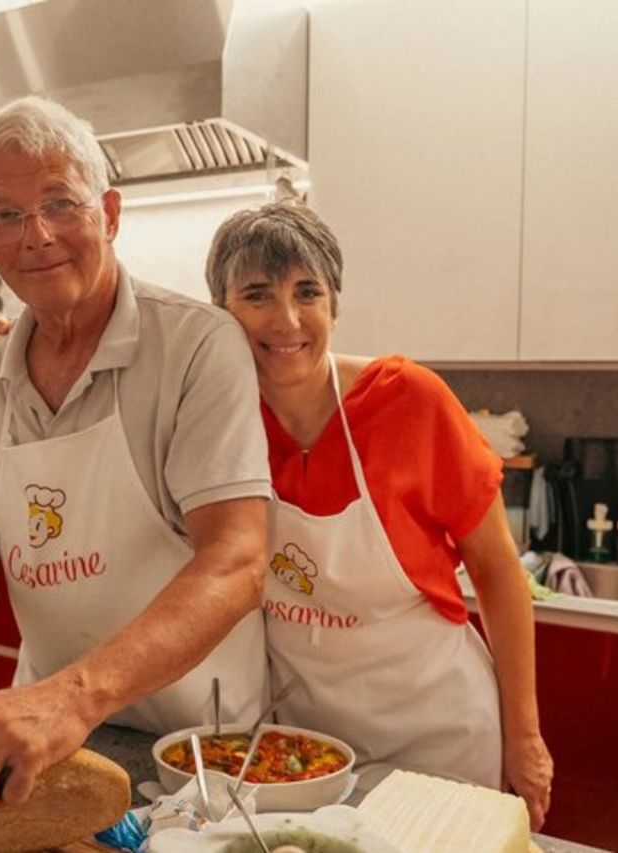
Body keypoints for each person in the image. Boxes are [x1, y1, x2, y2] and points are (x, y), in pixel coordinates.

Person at [0, 95, 273, 807]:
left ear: (110, 212)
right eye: (7, 215)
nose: (36, 236)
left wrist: (73, 696)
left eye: (60, 204)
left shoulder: (197, 345)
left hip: (196, 750)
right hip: (38, 739)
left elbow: (237, 562)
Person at [204, 201, 553, 829]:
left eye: (307, 291)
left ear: (334, 304)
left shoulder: (409, 402)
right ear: (222, 313)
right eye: (257, 295)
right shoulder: (219, 418)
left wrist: (524, 738)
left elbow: (500, 572)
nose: (287, 319)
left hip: (438, 734)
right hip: (305, 745)